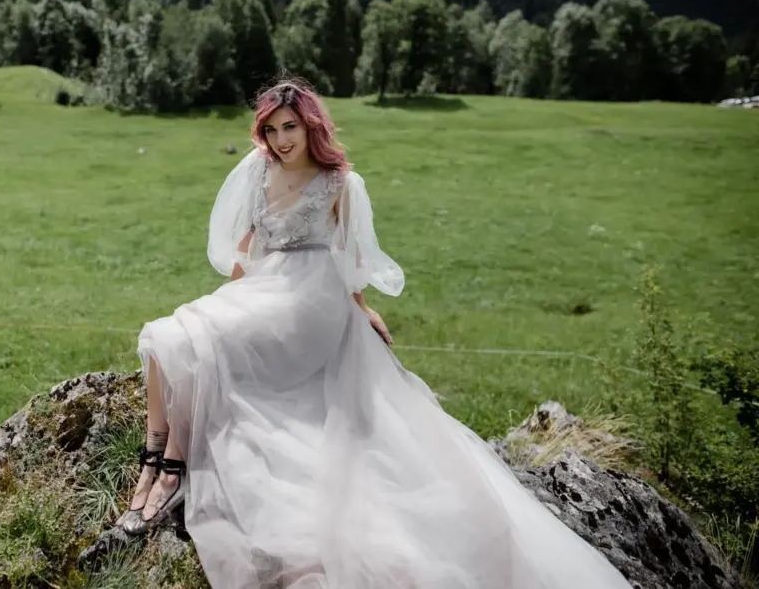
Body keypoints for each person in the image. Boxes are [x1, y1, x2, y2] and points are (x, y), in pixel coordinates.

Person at [115, 79, 633, 588]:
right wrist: (224, 303)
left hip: (312, 300)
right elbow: (247, 247)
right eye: (271, 129)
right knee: (170, 336)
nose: (281, 140)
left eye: (290, 127)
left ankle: (170, 472)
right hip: (265, 288)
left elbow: (351, 259)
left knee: (187, 340)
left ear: (310, 125)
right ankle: (158, 459)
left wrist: (362, 309)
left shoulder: (340, 183)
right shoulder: (259, 169)